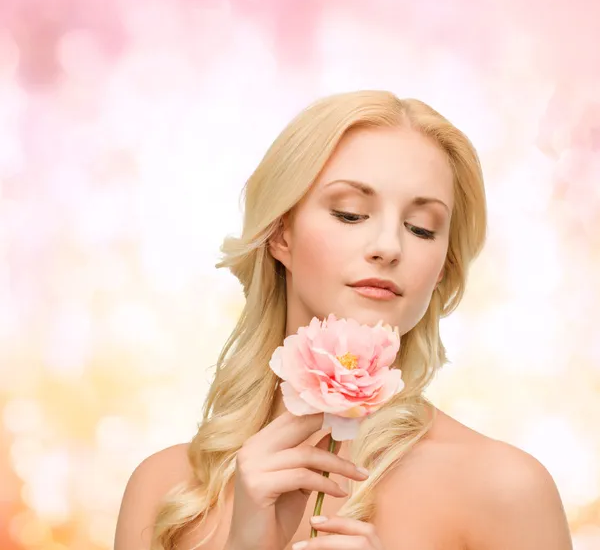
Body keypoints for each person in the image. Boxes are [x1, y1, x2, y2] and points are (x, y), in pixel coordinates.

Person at [114, 90, 573, 550]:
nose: (389, 246)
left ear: (443, 269)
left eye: (422, 228)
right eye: (350, 213)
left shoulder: (505, 490)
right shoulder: (166, 492)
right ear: (280, 233)